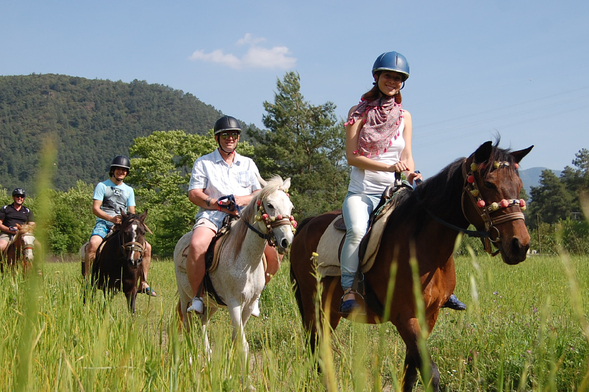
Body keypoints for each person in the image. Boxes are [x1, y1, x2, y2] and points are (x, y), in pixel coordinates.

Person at [339, 51, 465, 316]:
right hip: (362, 192)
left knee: (428, 227)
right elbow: (352, 157)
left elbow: (406, 155)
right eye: (388, 76)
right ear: (377, 77)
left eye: (398, 78)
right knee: (357, 232)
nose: (392, 82)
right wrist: (387, 166)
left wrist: (411, 173)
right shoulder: (357, 113)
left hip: (394, 191)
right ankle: (349, 289)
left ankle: (443, 289)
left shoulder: (404, 116)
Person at [184, 115, 263, 315]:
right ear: (217, 138)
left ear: (238, 138)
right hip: (212, 215)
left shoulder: (248, 164)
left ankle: (255, 296)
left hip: (244, 217)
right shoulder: (203, 163)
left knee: (273, 251)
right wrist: (216, 203)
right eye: (225, 135)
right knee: (197, 245)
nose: (230, 138)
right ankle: (197, 297)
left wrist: (239, 199)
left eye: (234, 135)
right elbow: (194, 193)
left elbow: (258, 193)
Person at [83, 155, 156, 296]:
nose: (121, 172)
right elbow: (96, 208)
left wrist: (130, 221)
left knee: (147, 248)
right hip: (104, 224)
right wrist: (111, 218)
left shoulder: (129, 190)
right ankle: (87, 280)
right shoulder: (102, 186)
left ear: (126, 173)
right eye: (118, 169)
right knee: (93, 244)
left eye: (124, 170)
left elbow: (131, 211)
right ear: (113, 170)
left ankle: (143, 282)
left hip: (123, 226)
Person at [0, 188, 35, 252]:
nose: (20, 198)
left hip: (23, 235)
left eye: (22, 196)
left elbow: (32, 224)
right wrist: (9, 229)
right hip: (7, 234)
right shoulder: (5, 209)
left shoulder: (27, 211)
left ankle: (38, 261)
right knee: (1, 246)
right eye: (17, 196)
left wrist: (24, 230)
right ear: (13, 197)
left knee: (38, 246)